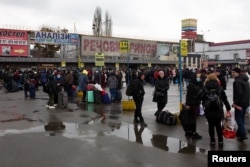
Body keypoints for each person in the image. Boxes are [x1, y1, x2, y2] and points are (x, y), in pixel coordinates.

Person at [199, 73, 231, 147]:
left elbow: (199, 96)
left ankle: (212, 141)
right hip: (218, 109)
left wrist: (204, 100)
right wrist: (228, 108)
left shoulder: (205, 88)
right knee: (218, 126)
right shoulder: (220, 88)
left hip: (208, 109)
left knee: (211, 126)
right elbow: (225, 99)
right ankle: (220, 141)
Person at [231, 67, 249, 142]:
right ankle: (239, 133)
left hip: (240, 103)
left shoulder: (237, 81)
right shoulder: (245, 81)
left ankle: (243, 134)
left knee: (238, 118)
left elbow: (238, 93)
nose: (232, 74)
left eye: (233, 72)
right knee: (241, 119)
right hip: (245, 103)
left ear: (238, 73)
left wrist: (235, 103)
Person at [184, 72, 203, 139]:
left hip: (196, 103)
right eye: (197, 77)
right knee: (192, 119)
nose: (199, 78)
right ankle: (193, 132)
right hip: (192, 104)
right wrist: (187, 104)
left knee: (192, 119)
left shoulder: (197, 84)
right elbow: (188, 95)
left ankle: (189, 131)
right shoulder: (191, 85)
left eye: (199, 77)